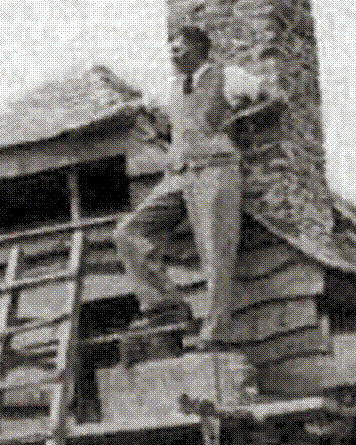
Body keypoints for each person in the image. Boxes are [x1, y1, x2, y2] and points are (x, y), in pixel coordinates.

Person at [114, 24, 282, 350]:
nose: (173, 54)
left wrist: (237, 122)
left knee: (215, 251)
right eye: (171, 48)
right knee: (128, 232)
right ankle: (165, 305)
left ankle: (217, 332)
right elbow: (163, 121)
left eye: (179, 47)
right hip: (179, 174)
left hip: (215, 171)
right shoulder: (172, 87)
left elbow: (273, 98)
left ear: (199, 49)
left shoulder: (228, 76)